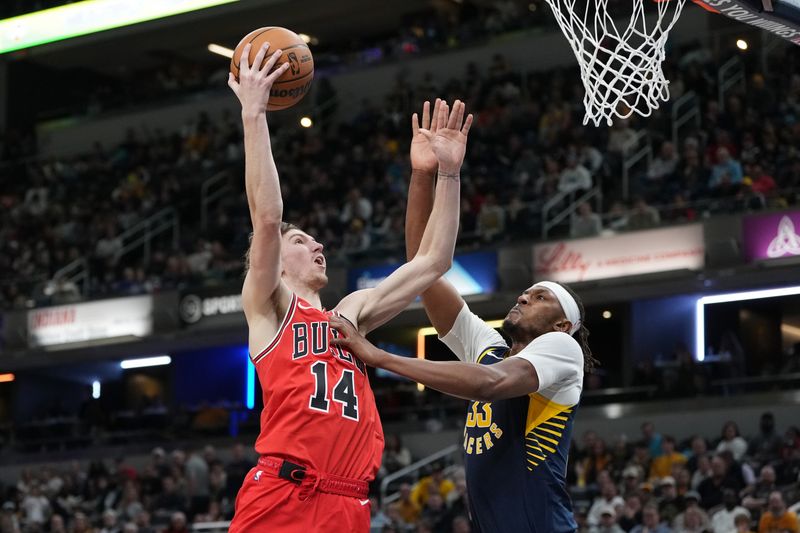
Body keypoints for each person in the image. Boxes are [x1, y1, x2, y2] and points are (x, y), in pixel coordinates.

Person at [226, 43, 473, 533]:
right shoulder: (270, 307)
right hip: (284, 494)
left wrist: (446, 173)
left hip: (350, 504)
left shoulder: (350, 316)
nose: (317, 242)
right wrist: (254, 113)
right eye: (303, 240)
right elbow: (269, 218)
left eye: (314, 238)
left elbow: (433, 260)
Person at [329, 133, 598, 530]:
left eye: (540, 298)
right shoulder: (490, 348)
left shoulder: (562, 349)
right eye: (525, 293)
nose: (524, 298)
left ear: (562, 324)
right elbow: (421, 266)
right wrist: (424, 174)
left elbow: (489, 384)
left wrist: (379, 356)